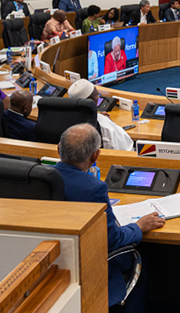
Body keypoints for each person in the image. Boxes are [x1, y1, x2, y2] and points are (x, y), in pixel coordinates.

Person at [54, 124, 165, 308]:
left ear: (58, 148)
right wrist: (139, 226)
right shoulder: (94, 188)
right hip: (92, 265)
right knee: (143, 253)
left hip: (58, 261)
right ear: (95, 156)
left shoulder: (42, 177)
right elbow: (112, 240)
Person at [68, 80, 135, 151]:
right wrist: (110, 123)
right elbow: (126, 147)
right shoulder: (103, 124)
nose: (98, 97)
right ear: (91, 101)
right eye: (97, 94)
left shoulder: (63, 118)